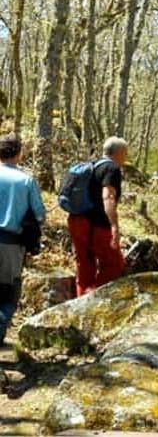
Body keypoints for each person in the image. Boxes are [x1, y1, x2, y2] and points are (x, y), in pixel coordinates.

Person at [68, 137, 127, 296]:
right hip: (97, 226)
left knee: (84, 265)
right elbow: (108, 196)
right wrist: (114, 225)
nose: (126, 157)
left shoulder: (92, 166)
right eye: (125, 153)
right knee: (114, 264)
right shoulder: (112, 168)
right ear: (119, 152)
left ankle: (81, 303)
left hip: (76, 221)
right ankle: (94, 298)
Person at [0, 134, 45, 345]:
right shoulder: (26, 181)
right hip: (11, 244)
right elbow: (40, 215)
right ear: (19, 153)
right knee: (9, 294)